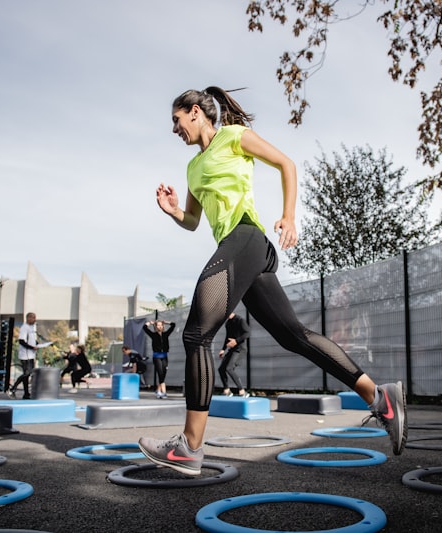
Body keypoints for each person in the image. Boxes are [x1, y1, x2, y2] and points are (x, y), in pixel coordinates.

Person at [138, 87, 407, 476]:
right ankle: (380, 397)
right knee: (293, 336)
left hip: (246, 238)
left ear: (195, 112)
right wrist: (174, 209)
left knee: (196, 335)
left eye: (177, 120)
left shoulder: (232, 137)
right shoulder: (193, 168)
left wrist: (289, 215)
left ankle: (189, 447)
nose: (174, 129)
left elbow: (286, 164)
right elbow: (195, 221)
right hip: (242, 251)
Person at [7, 312, 46, 399]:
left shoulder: (31, 328)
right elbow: (22, 341)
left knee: (27, 374)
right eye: (33, 318)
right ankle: (12, 388)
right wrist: (31, 347)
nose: (35, 320)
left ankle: (26, 393)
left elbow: (31, 340)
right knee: (27, 373)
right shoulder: (24, 328)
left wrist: (36, 344)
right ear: (28, 318)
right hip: (25, 355)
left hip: (31, 355)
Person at [218, 312, 251, 397]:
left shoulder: (240, 320)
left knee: (229, 368)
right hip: (232, 349)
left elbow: (247, 333)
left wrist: (236, 341)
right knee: (221, 369)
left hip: (240, 349)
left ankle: (242, 391)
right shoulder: (228, 323)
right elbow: (227, 337)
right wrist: (223, 349)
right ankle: (227, 390)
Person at [143, 319, 175, 399]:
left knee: (163, 374)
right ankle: (164, 392)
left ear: (163, 326)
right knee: (160, 373)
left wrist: (166, 322)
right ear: (155, 327)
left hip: (164, 356)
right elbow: (144, 327)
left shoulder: (166, 334)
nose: (159, 327)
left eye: (161, 325)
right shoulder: (153, 335)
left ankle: (158, 390)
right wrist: (150, 323)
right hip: (157, 357)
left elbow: (173, 325)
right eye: (158, 325)